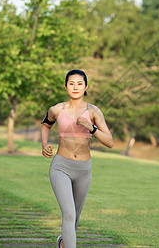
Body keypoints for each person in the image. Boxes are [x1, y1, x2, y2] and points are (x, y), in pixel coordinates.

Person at [41, 69, 114, 248]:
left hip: (83, 170)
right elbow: (45, 125)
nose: (75, 87)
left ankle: (63, 242)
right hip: (61, 167)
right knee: (69, 214)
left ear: (86, 86)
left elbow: (110, 142)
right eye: (71, 83)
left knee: (75, 217)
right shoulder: (57, 109)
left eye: (79, 83)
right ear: (65, 86)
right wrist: (44, 145)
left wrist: (92, 128)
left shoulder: (94, 111)